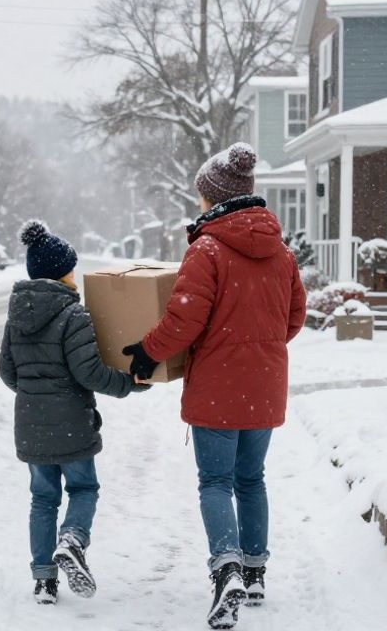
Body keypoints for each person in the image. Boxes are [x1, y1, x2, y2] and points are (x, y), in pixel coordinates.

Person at [122, 143, 306, 630]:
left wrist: (146, 352)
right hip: (264, 387)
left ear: (214, 196)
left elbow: (183, 320)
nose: (199, 203)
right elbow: (294, 320)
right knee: (252, 480)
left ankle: (226, 568)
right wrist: (257, 345)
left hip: (218, 390)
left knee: (215, 482)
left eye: (202, 195)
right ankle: (255, 569)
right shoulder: (282, 253)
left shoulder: (207, 249)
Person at [0, 219, 148, 605]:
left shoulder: (16, 315)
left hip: (31, 424)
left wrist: (35, 393)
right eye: (72, 268)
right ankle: (72, 540)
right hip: (71, 425)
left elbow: (7, 371)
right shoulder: (73, 315)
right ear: (63, 272)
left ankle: (44, 580)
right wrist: (130, 384)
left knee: (42, 498)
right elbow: (91, 373)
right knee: (83, 488)